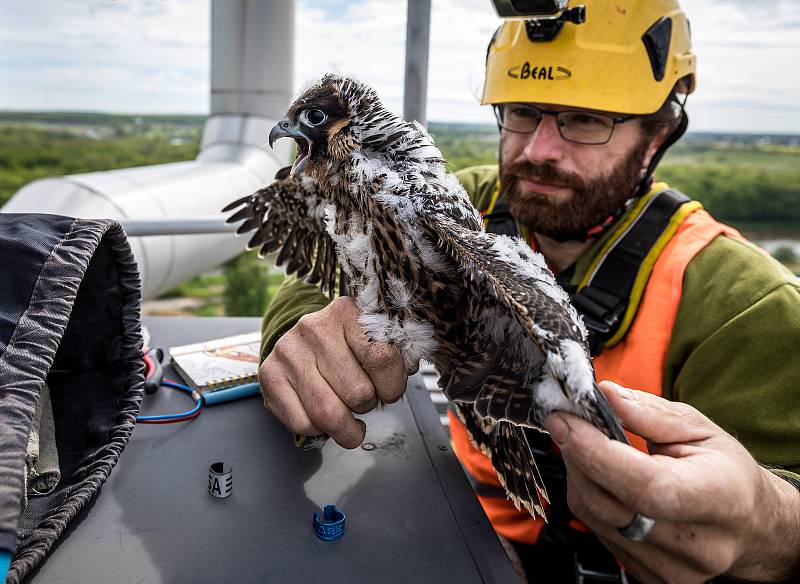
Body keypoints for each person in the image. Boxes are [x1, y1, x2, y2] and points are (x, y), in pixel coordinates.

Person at [256, 1, 800, 581]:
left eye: (587, 119)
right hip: (465, 526)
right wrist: (305, 341)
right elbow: (314, 283)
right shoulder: (454, 204)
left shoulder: (748, 304)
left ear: (658, 132)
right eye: (521, 112)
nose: (540, 149)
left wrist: (769, 521)